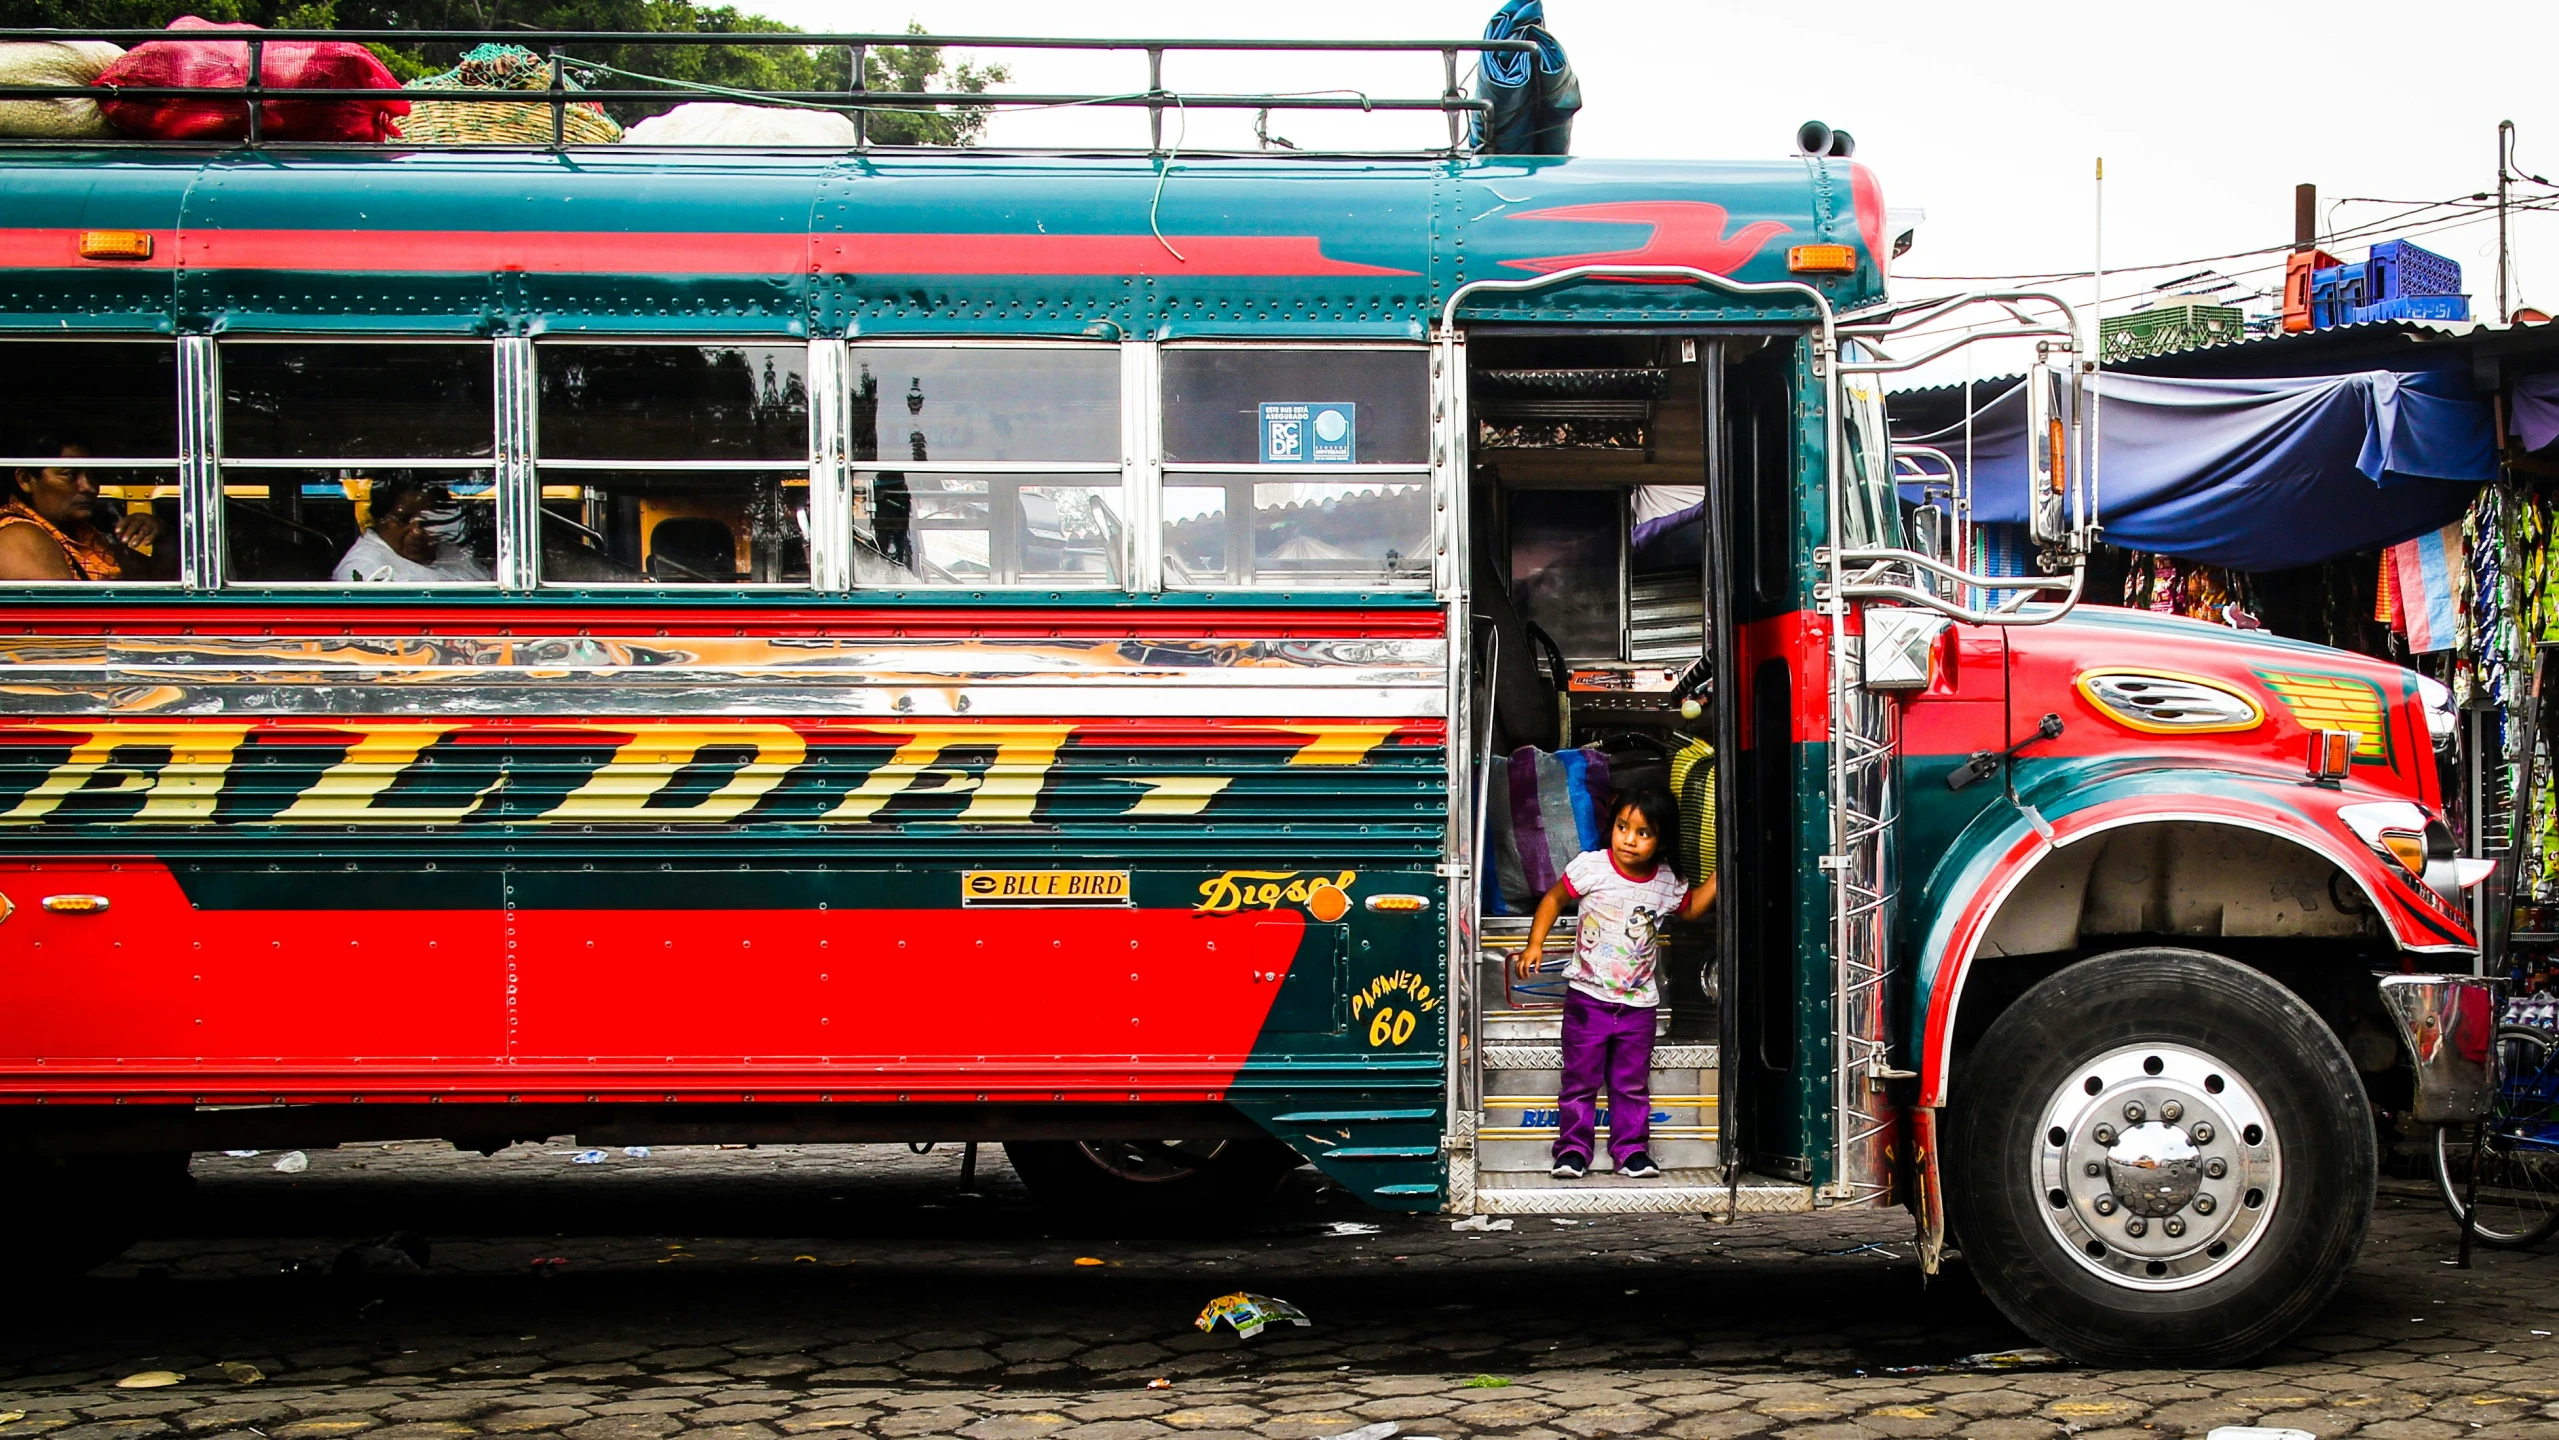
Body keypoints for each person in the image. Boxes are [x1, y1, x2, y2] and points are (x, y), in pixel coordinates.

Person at [1514, 786, 1716, 1180]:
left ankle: (1631, 1152)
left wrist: (1720, 873)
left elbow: (1689, 910)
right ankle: (1572, 1151)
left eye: (1643, 832)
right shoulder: (1592, 867)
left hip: (1638, 1006)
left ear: (1661, 841)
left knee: (1630, 1085)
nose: (1629, 838)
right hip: (1587, 1000)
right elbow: (1554, 899)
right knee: (1579, 1081)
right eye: (1623, 827)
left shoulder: (1665, 881)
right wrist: (1534, 944)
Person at [0, 433, 168, 581]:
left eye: (92, 474)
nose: (89, 487)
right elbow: (60, 613)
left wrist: (164, 535)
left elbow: (155, 582)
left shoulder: (83, 533)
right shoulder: (19, 536)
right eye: (70, 475)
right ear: (25, 479)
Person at [333, 476, 491, 584]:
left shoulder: (447, 552)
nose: (417, 531)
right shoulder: (363, 568)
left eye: (427, 522)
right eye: (403, 520)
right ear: (379, 519)